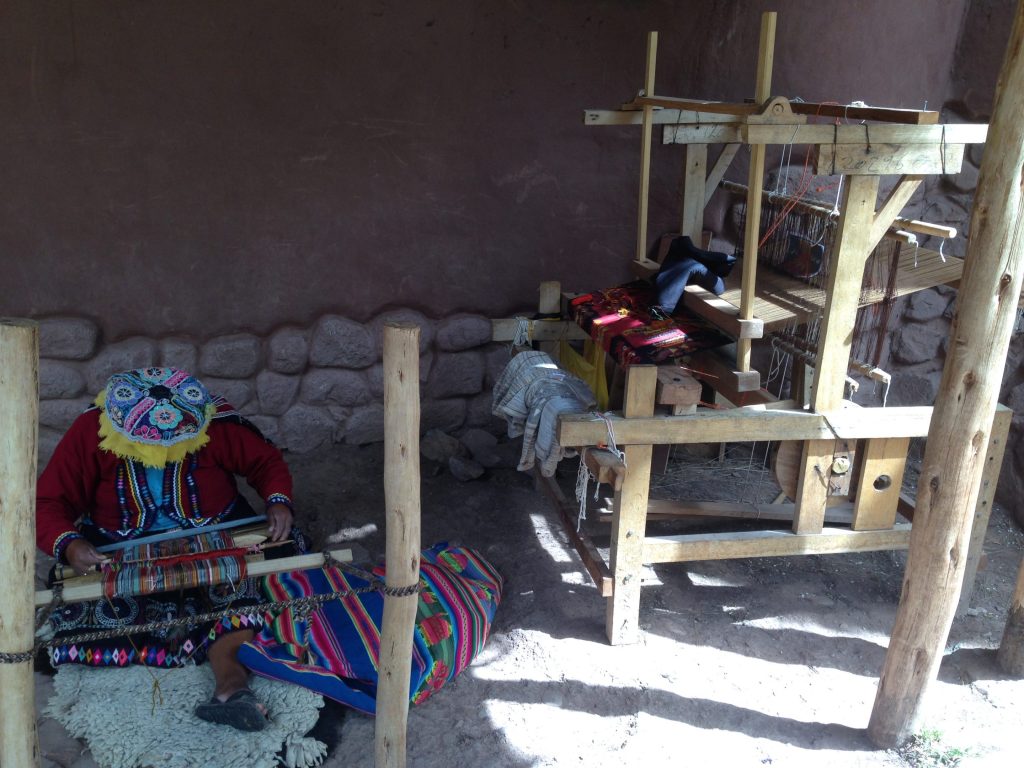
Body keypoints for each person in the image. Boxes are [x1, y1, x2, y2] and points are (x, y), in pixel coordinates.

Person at [36, 366, 300, 732]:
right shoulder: (91, 431)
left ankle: (231, 684)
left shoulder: (213, 422)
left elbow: (265, 461)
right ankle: (145, 695)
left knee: (251, 589)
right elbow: (49, 501)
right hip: (120, 551)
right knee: (97, 609)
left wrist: (278, 501)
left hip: (218, 539)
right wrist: (70, 544)